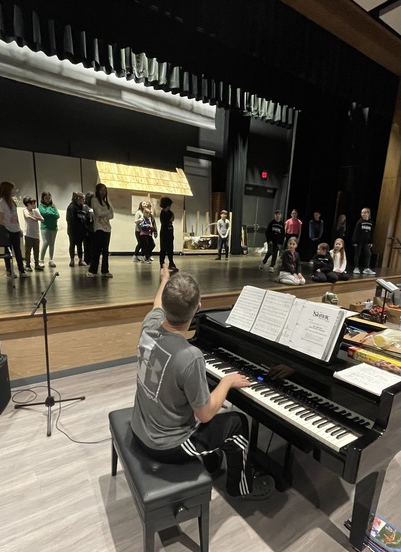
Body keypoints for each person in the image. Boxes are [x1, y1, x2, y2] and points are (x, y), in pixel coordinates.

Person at [130, 267, 275, 501]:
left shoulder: (150, 323)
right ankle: (240, 487)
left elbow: (157, 302)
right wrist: (227, 382)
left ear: (166, 305)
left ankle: (210, 459)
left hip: (140, 427)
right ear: (198, 307)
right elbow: (206, 414)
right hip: (166, 446)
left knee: (193, 401)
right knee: (237, 423)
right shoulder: (189, 355)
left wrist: (164, 279)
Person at [0, 181, 27, 278]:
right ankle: (9, 270)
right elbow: (0, 218)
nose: (15, 191)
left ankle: (21, 270)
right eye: (13, 189)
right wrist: (3, 230)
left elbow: (15, 216)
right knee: (8, 251)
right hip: (7, 230)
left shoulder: (12, 202)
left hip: (15, 230)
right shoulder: (1, 202)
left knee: (18, 251)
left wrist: (19, 228)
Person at [87, 183, 114, 278]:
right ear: (97, 191)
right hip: (98, 228)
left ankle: (105, 271)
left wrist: (105, 212)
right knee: (96, 250)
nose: (103, 192)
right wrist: (106, 212)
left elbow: (112, 215)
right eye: (101, 190)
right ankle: (92, 270)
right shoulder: (94, 200)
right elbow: (98, 212)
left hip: (107, 229)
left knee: (105, 251)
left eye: (104, 190)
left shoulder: (106, 202)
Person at [66, 191, 89, 267]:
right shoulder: (71, 207)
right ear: (78, 198)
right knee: (72, 244)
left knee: (79, 245)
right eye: (83, 199)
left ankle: (80, 260)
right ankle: (72, 260)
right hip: (73, 230)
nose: (84, 200)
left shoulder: (82, 207)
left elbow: (85, 218)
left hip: (81, 230)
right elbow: (70, 219)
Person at [22, 197, 45, 272]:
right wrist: (35, 218)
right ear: (28, 204)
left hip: (36, 234)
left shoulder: (36, 211)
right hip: (28, 234)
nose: (35, 205)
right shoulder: (25, 210)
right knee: (28, 250)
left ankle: (36, 264)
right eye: (33, 204)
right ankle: (27, 264)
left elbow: (42, 219)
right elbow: (27, 216)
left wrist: (35, 217)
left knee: (36, 250)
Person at [38, 192, 59, 267]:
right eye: (46, 198)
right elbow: (44, 213)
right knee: (45, 242)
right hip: (45, 227)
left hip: (54, 227)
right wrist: (51, 213)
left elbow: (57, 215)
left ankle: (51, 260)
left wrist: (50, 212)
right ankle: (41, 260)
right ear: (43, 198)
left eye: (49, 198)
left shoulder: (53, 206)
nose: (48, 199)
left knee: (52, 243)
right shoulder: (41, 206)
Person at [351, 207, 375, 275]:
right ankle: (356, 267)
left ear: (368, 213)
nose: (363, 214)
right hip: (359, 241)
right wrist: (354, 241)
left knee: (368, 254)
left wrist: (371, 241)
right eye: (362, 213)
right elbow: (356, 232)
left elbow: (372, 233)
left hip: (366, 242)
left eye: (364, 212)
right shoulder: (359, 222)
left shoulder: (371, 222)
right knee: (357, 254)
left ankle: (366, 268)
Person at [159, 196, 178, 272]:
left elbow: (172, 219)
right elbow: (169, 220)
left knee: (170, 249)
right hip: (164, 233)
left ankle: (171, 263)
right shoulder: (163, 213)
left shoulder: (169, 212)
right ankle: (162, 263)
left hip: (170, 232)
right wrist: (171, 217)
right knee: (163, 249)